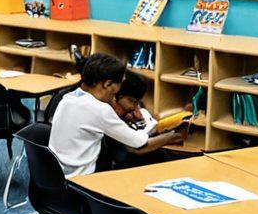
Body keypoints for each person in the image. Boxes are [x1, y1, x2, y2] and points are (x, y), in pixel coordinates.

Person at [49, 53, 185, 178]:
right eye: (117, 88)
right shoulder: (99, 109)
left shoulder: (67, 98)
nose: (115, 96)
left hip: (56, 175)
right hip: (82, 181)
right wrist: (171, 136)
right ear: (107, 84)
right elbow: (138, 145)